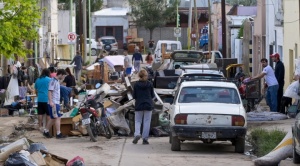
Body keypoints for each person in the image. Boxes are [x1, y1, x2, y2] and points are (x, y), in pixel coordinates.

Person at [132, 70, 155, 145]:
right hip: (148, 104)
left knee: (138, 121)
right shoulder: (150, 84)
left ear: (139, 76)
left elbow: (134, 96)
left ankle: (137, 134)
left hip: (139, 104)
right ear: (146, 76)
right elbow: (152, 95)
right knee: (147, 121)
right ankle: (145, 139)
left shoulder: (136, 85)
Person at [43, 69, 67, 139]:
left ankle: (51, 131)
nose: (64, 78)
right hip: (53, 102)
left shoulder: (56, 81)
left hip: (56, 102)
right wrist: (51, 101)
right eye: (64, 76)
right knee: (56, 117)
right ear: (61, 74)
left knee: (55, 117)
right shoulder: (53, 81)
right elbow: (50, 91)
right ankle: (54, 132)